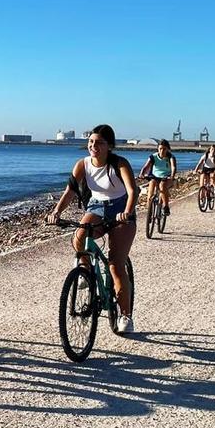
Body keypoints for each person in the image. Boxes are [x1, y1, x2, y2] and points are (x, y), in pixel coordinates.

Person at [46, 124, 138, 334]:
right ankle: (86, 271)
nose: (93, 146)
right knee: (79, 236)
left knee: (115, 264)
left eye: (99, 143)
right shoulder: (82, 164)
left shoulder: (120, 164)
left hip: (121, 209)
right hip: (96, 206)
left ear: (110, 146)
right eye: (91, 142)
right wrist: (56, 212)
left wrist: (127, 211)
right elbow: (70, 191)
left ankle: (125, 315)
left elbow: (132, 191)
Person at [139, 139, 177, 216]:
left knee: (162, 186)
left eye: (164, 149)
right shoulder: (153, 157)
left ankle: (166, 207)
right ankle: (149, 209)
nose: (162, 151)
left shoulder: (171, 157)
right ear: (157, 149)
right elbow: (145, 167)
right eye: (160, 149)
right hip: (155, 176)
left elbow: (173, 167)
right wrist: (141, 174)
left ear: (167, 149)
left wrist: (172, 176)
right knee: (151, 186)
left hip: (166, 176)